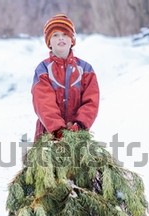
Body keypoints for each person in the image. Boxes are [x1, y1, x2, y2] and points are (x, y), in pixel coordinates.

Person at [31, 14, 100, 142]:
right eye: (55, 35)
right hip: (49, 135)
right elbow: (43, 103)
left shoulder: (86, 70)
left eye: (65, 34)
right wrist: (58, 130)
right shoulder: (43, 69)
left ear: (72, 40)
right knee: (47, 162)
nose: (61, 38)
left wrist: (79, 125)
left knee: (78, 162)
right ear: (49, 42)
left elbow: (91, 102)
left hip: (77, 136)